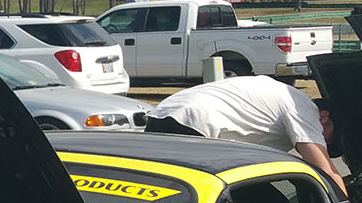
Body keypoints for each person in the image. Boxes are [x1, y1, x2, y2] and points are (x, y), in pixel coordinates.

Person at [144, 75, 347, 196]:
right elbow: (326, 171)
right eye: (326, 139)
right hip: (192, 124)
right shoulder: (304, 108)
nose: (322, 144)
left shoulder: (279, 101)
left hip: (163, 115)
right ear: (324, 117)